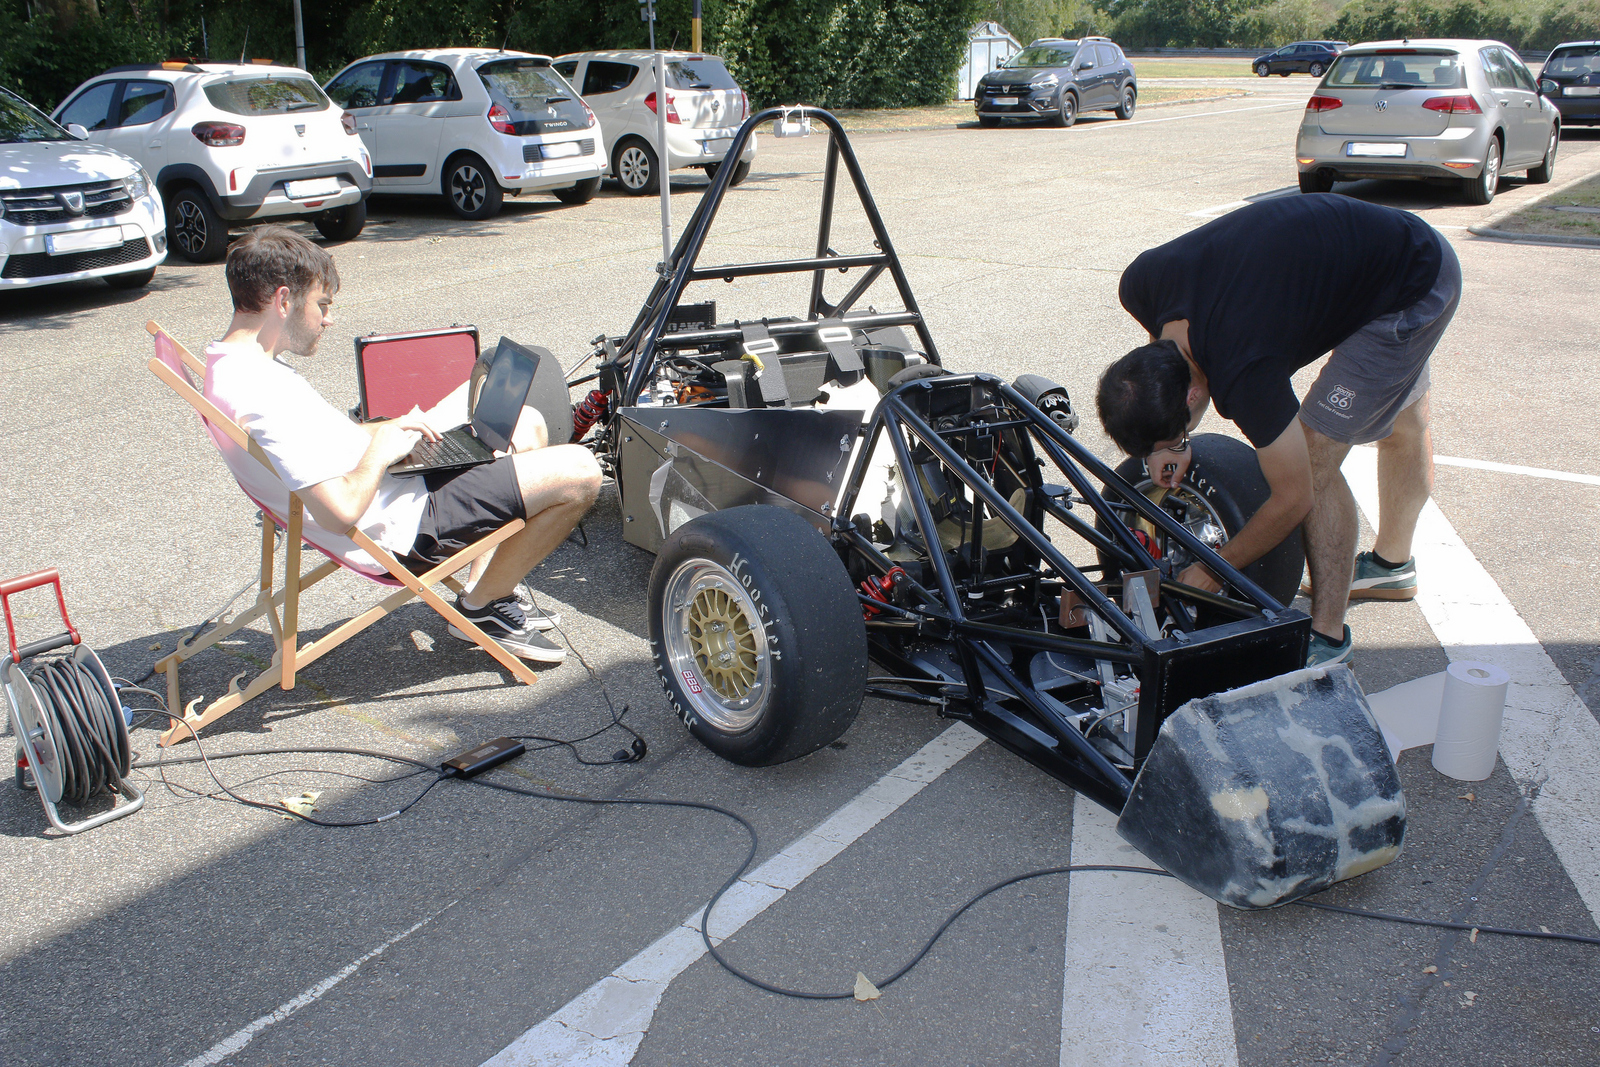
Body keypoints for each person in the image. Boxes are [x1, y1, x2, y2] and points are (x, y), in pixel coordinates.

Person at [204, 225, 602, 663]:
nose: (328, 319)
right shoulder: (260, 394)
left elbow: (328, 445)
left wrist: (395, 428)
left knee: (521, 423)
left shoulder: (238, 367)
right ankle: (482, 608)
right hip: (404, 525)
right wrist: (384, 447)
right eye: (322, 305)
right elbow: (338, 515)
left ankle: (485, 586)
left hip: (395, 485)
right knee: (582, 471)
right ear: (283, 301)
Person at [1096, 193, 1461, 667]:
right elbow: (1164, 359)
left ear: (1191, 398)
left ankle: (1328, 634)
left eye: (1173, 439)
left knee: (1315, 462)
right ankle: (1393, 567)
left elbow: (1295, 497)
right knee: (1402, 423)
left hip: (1412, 284)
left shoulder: (1245, 371)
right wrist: (1175, 440)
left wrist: (1213, 566)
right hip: (1369, 251)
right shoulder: (1142, 284)